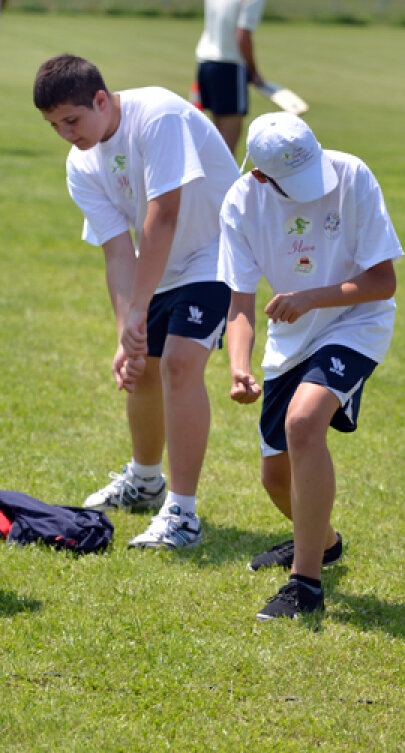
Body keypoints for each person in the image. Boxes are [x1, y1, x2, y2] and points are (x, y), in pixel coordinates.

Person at [34, 54, 239, 550]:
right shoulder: (80, 163)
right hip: (160, 262)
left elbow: (162, 216)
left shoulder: (158, 116)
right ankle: (146, 483)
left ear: (101, 100)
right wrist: (127, 330)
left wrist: (140, 308)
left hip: (218, 250)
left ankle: (183, 516)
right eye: (55, 125)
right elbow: (117, 250)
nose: (66, 133)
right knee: (142, 366)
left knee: (179, 364)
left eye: (72, 120)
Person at [219, 112, 402, 620]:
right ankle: (322, 543)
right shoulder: (241, 203)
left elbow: (382, 281)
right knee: (275, 479)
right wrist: (239, 364)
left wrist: (311, 298)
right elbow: (240, 304)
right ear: (260, 175)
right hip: (289, 339)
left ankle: (305, 584)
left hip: (356, 323)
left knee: (304, 423)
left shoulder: (352, 175)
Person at [195, 0, 267, 154]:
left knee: (216, 137)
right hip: (229, 66)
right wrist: (253, 71)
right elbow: (242, 37)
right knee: (227, 146)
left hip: (205, 64)